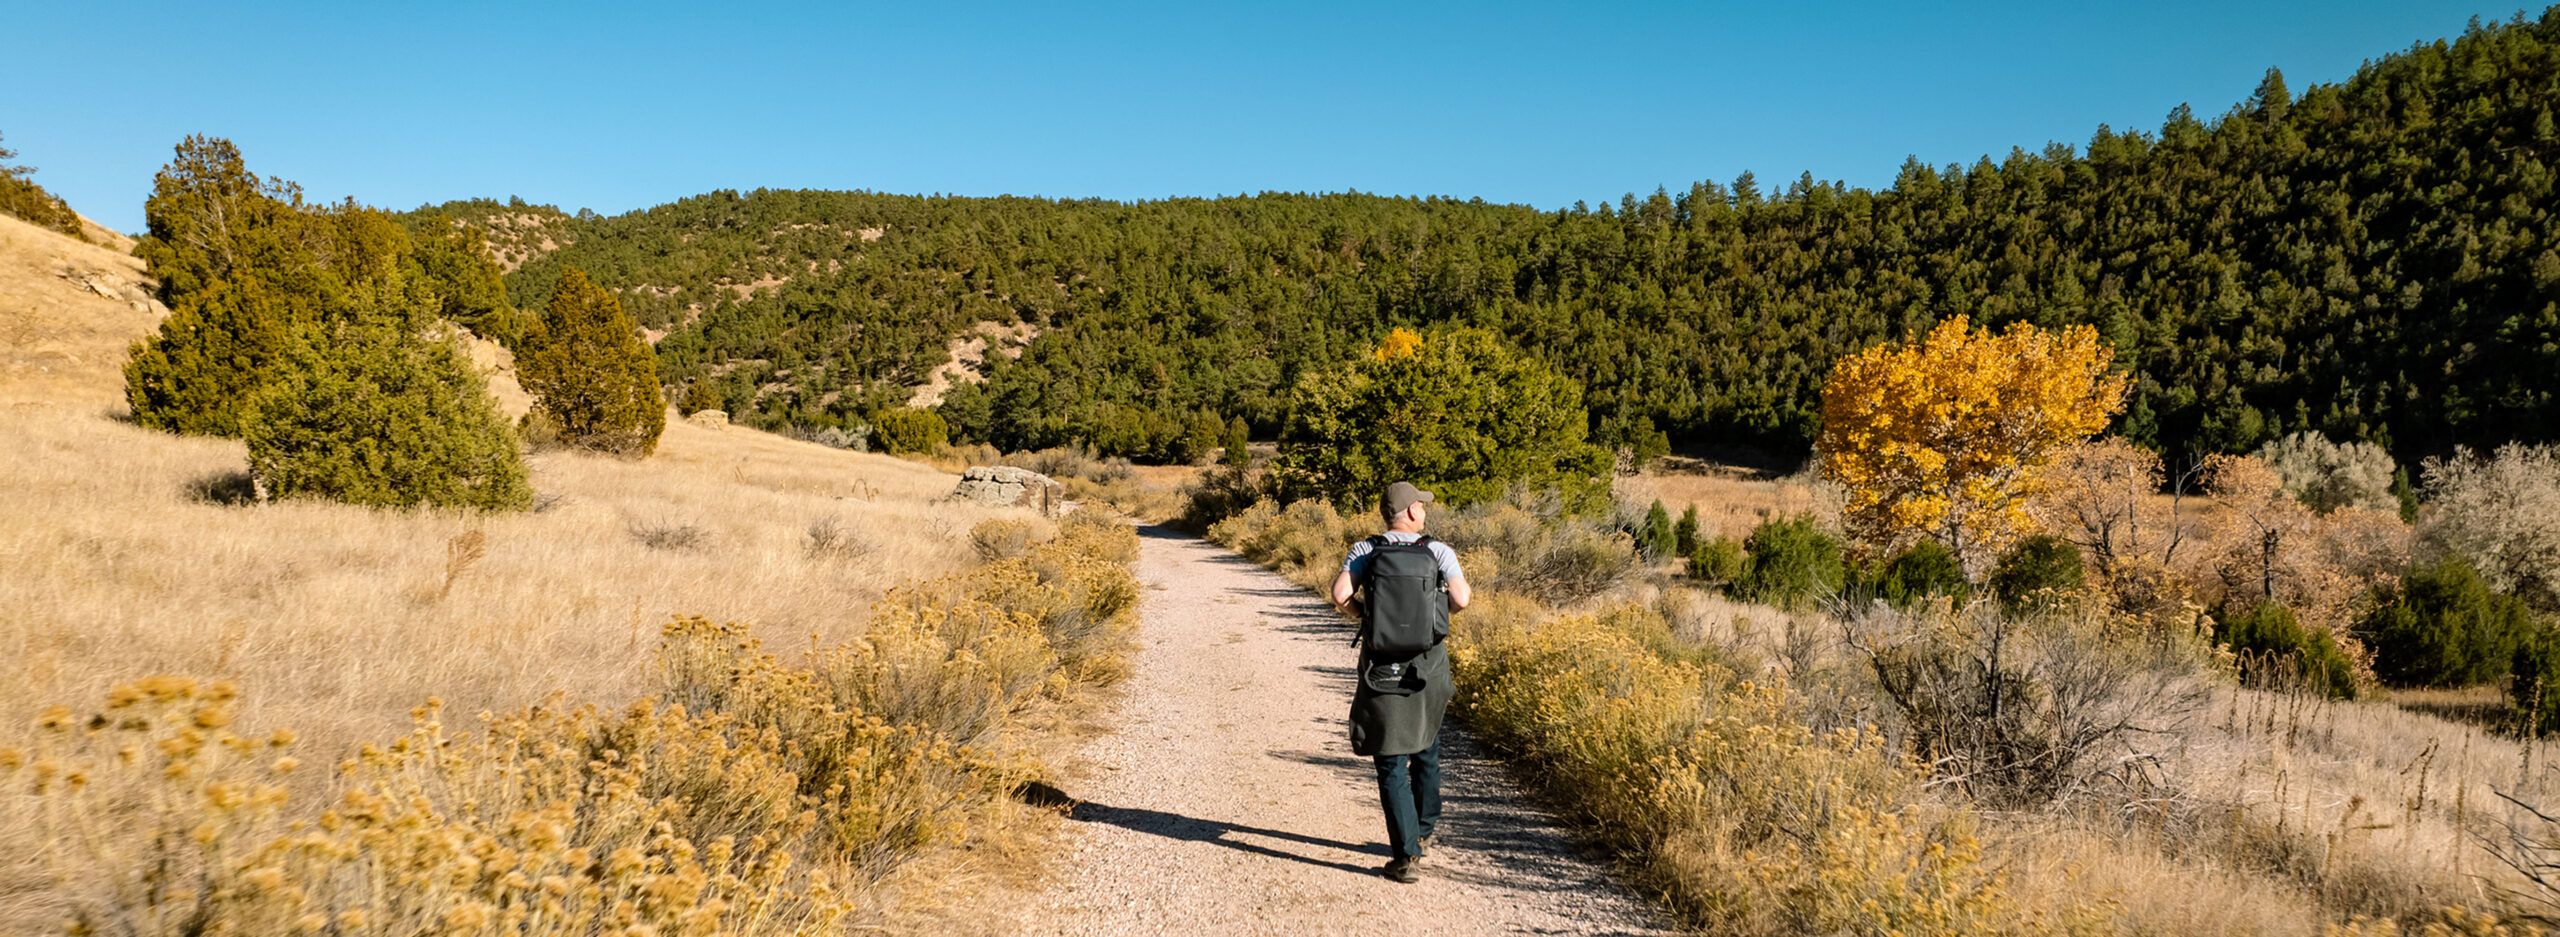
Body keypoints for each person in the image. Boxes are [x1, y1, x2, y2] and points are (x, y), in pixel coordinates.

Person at [1331, 480, 1471, 883]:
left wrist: (1367, 615)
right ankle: (1423, 831)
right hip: (1427, 662)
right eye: (1421, 506)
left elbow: (1340, 593)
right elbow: (1461, 599)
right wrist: (1431, 619)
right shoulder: (1437, 550)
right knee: (1425, 742)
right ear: (1410, 512)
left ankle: (1405, 855)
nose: (1424, 511)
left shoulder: (1365, 549)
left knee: (1390, 756)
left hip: (1381, 664)